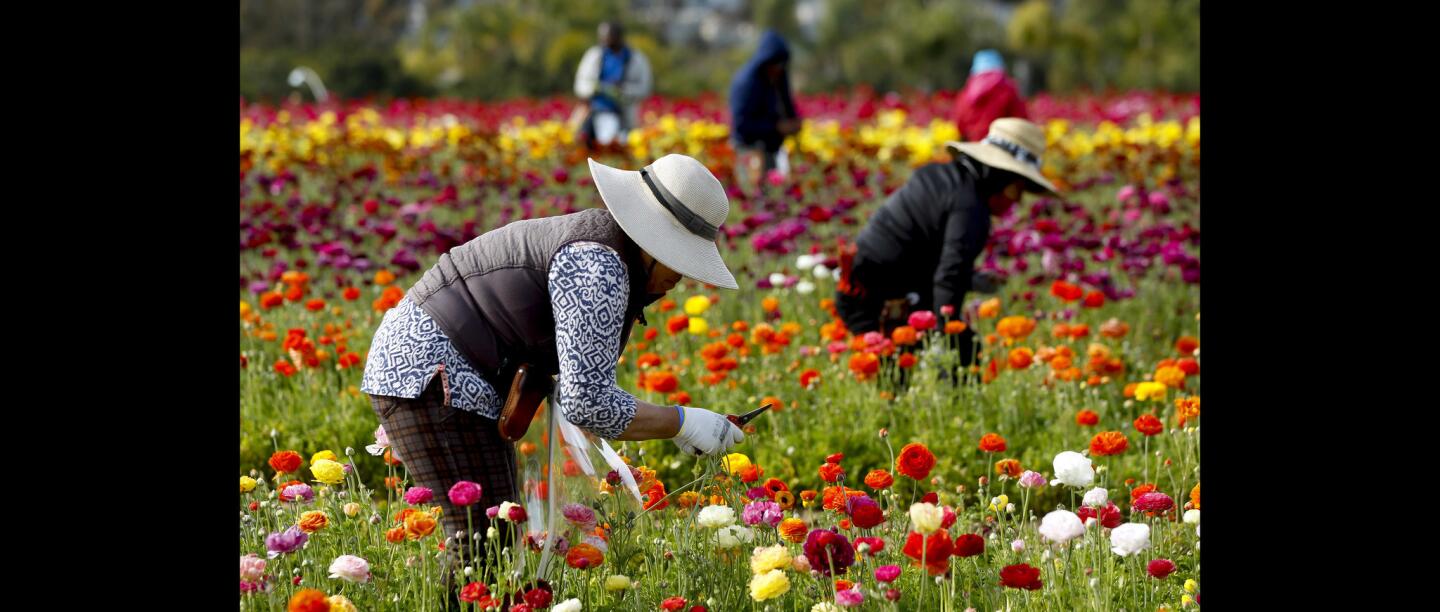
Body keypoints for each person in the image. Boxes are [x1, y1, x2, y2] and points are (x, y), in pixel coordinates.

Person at [361, 153, 744, 596]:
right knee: (481, 543)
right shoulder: (597, 266)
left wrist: (676, 424)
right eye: (679, 260)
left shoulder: (608, 253)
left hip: (443, 371)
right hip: (432, 373)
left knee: (495, 533)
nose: (682, 276)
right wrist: (683, 422)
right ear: (653, 242)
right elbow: (589, 403)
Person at [836, 118, 1059, 376]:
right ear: (1001, 177)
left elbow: (921, 249)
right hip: (880, 302)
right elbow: (949, 277)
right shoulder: (970, 209)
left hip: (860, 290)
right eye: (1019, 187)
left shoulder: (938, 175)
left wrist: (972, 280)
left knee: (906, 375)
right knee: (956, 356)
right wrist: (945, 342)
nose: (1019, 199)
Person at [729, 30, 800, 193]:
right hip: (749, 150)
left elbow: (787, 102)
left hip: (771, 148)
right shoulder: (747, 83)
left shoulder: (777, 75)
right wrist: (777, 127)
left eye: (782, 65)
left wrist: (794, 121)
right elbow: (741, 126)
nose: (779, 69)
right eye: (776, 64)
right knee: (754, 194)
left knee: (773, 194)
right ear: (766, 61)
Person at [573, 21, 653, 149]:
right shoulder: (595, 55)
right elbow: (581, 83)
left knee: (614, 146)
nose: (603, 39)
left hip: (623, 113)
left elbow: (644, 88)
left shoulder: (635, 58)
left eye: (607, 36)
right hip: (593, 111)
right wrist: (596, 88)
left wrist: (623, 90)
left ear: (618, 36)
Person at [951, 49, 1029, 143]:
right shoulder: (1008, 89)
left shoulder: (966, 92)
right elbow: (1021, 120)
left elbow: (959, 124)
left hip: (974, 147)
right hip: (1002, 146)